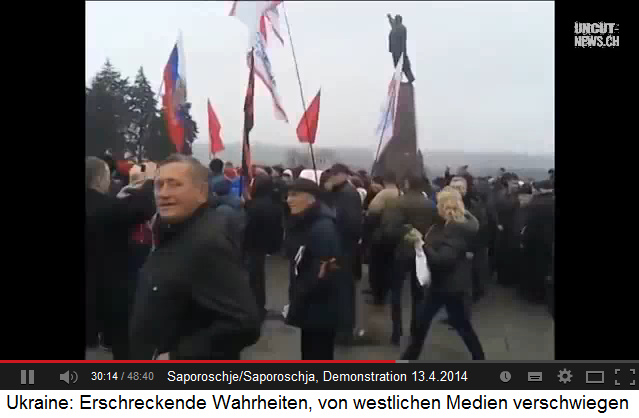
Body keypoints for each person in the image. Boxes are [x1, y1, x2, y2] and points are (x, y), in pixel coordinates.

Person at [129, 154, 260, 360]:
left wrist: (178, 356)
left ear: (201, 192)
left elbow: (243, 322)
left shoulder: (207, 242)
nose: (163, 193)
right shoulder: (174, 231)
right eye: (159, 185)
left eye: (174, 185)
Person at [400, 187, 485, 360]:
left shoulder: (456, 229)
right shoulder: (453, 224)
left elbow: (443, 260)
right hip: (448, 284)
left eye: (439, 203)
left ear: (445, 205)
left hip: (448, 286)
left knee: (451, 324)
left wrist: (421, 243)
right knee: (452, 324)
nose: (436, 206)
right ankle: (409, 358)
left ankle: (408, 359)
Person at [86, 157, 156, 359]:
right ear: (100, 179)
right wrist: (149, 180)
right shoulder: (104, 207)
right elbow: (142, 208)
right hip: (110, 290)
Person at [285, 178, 342, 359]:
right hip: (312, 308)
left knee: (317, 355)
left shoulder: (322, 228)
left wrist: (298, 298)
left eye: (294, 195)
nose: (289, 200)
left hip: (319, 310)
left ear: (311, 199)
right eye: (288, 195)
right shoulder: (307, 222)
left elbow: (322, 273)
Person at [380, 174, 437, 345]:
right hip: (422, 251)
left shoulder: (397, 203)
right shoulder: (431, 205)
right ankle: (416, 331)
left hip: (400, 251)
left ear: (406, 183)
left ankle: (396, 332)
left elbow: (388, 230)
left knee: (396, 293)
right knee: (418, 294)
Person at [323, 163, 363, 343]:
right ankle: (341, 327)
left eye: (334, 175)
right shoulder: (340, 192)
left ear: (343, 175)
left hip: (344, 248)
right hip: (340, 247)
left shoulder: (348, 193)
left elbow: (352, 223)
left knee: (344, 290)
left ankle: (345, 330)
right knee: (339, 289)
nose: (331, 177)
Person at [244, 175, 284, 319]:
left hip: (251, 246)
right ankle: (259, 306)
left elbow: (247, 228)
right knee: (258, 278)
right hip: (264, 246)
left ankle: (254, 309)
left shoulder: (253, 206)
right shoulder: (274, 204)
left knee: (252, 278)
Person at [386, 14, 415, 83]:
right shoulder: (395, 26)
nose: (395, 20)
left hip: (400, 50)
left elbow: (403, 40)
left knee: (404, 65)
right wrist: (389, 17)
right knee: (397, 65)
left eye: (396, 19)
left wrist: (404, 51)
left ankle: (410, 78)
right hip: (394, 50)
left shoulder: (402, 28)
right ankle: (399, 79)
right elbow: (391, 22)